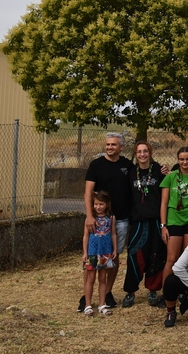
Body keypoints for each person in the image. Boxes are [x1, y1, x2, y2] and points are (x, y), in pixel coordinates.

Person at [81, 132, 132, 311]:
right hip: (98, 221)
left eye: (114, 145)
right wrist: (89, 215)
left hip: (120, 220)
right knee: (91, 257)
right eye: (108, 144)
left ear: (121, 147)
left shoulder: (127, 165)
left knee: (114, 256)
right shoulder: (96, 165)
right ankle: (85, 297)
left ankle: (107, 293)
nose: (110, 147)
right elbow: (88, 192)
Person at [123, 141, 165, 308]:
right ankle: (130, 291)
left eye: (145, 151)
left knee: (156, 255)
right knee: (134, 255)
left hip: (156, 220)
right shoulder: (131, 173)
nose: (142, 154)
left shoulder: (159, 170)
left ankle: (153, 290)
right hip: (139, 222)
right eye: (139, 152)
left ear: (150, 152)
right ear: (135, 154)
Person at [159, 147, 188, 283]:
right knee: (172, 258)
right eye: (182, 159)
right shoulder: (170, 177)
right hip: (174, 220)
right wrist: (163, 226)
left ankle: (185, 289)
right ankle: (167, 292)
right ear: (178, 160)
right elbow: (163, 203)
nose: (185, 162)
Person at [82, 191, 118, 317]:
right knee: (90, 279)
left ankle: (102, 304)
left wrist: (114, 249)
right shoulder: (90, 219)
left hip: (105, 252)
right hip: (92, 252)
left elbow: (113, 234)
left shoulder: (111, 218)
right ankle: (87, 305)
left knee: (103, 278)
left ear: (107, 205)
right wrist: (85, 252)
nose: (98, 207)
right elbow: (85, 236)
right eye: (96, 204)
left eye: (101, 204)